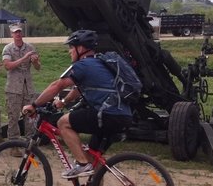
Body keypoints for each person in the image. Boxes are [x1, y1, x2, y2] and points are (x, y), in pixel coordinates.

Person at [23, 30, 133, 178]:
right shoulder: (98, 63)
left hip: (106, 114)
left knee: (63, 123)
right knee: (93, 158)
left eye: (71, 47)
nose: (70, 51)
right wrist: (62, 102)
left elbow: (57, 85)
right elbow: (77, 89)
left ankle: (82, 164)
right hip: (122, 114)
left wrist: (34, 105)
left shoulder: (83, 65)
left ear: (80, 49)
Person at [2, 24, 41, 141]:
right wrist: (24, 58)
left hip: (27, 87)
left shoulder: (30, 47)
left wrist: (35, 62)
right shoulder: (8, 48)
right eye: (15, 32)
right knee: (13, 116)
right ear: (11, 34)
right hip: (13, 88)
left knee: (29, 115)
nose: (18, 34)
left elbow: (38, 67)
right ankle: (13, 142)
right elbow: (8, 66)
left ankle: (30, 141)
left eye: (19, 32)